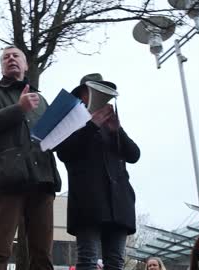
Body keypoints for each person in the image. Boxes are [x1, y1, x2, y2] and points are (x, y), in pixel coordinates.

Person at [0, 46, 61, 270]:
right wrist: (18, 109)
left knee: (43, 255)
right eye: (6, 57)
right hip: (7, 180)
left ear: (25, 64)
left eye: (16, 56)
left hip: (42, 181)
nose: (11, 59)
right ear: (2, 65)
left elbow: (50, 137)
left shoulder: (41, 100)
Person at [55, 73, 141, 270]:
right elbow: (65, 153)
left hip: (119, 204)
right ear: (81, 96)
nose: (98, 97)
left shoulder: (112, 126)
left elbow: (134, 155)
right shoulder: (70, 122)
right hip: (88, 202)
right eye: (92, 91)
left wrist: (117, 130)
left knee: (116, 262)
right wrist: (91, 125)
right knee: (88, 260)